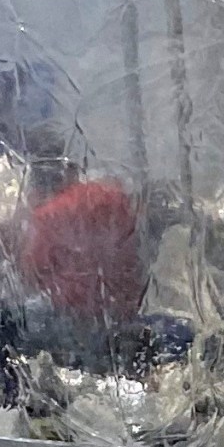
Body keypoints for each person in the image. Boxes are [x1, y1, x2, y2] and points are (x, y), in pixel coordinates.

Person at [17, 136, 145, 342]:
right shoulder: (112, 194)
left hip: (79, 320)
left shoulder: (46, 217)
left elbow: (31, 274)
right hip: (127, 307)